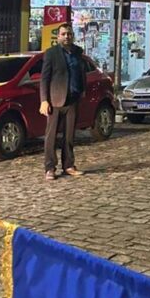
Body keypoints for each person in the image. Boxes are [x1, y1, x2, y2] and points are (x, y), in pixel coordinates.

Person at [40, 22, 88, 181]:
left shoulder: (78, 52)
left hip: (73, 99)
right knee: (51, 136)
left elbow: (81, 72)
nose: (67, 36)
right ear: (58, 36)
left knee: (69, 135)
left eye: (69, 34)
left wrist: (82, 90)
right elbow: (44, 78)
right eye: (63, 34)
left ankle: (68, 165)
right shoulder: (51, 53)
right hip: (55, 100)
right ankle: (50, 168)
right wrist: (44, 100)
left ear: (72, 35)